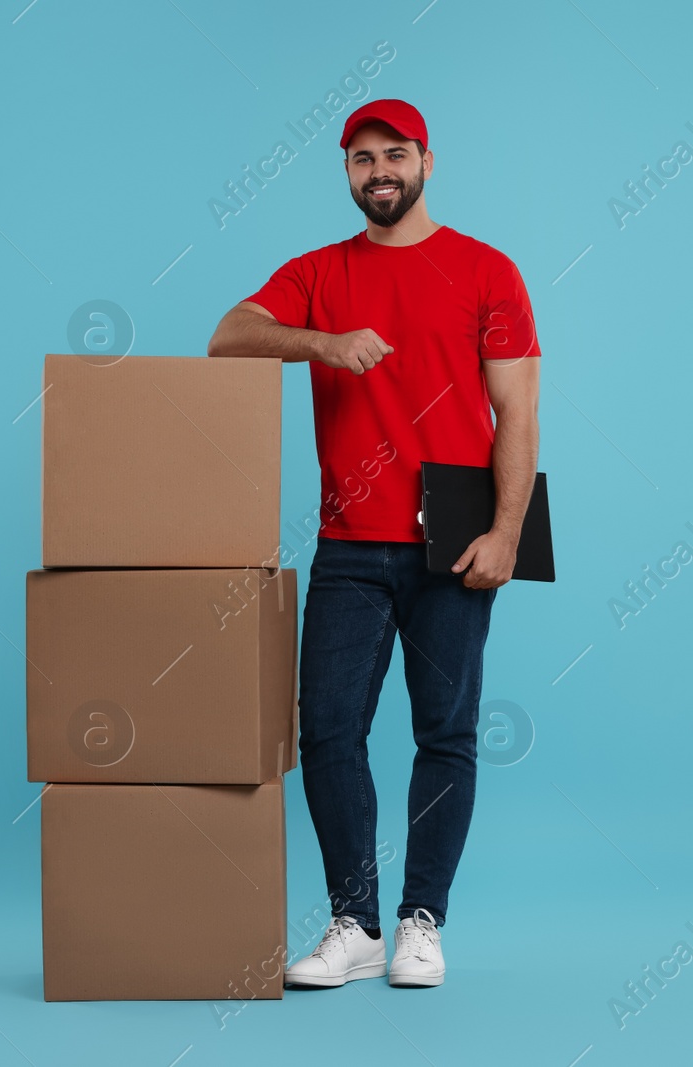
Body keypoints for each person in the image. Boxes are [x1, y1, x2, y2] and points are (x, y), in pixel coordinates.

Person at [207, 99, 542, 989]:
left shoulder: (487, 270)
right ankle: (353, 923)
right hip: (348, 542)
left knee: (447, 733)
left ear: (428, 161)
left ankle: (420, 922)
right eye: (362, 158)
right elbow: (228, 336)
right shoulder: (319, 272)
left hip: (454, 539)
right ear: (347, 172)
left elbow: (519, 410)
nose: (379, 171)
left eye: (395, 154)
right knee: (327, 731)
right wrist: (320, 341)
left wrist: (507, 530)